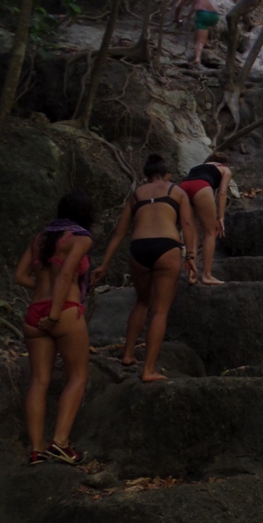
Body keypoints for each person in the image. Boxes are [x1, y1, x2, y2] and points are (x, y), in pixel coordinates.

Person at [92, 154, 198, 383]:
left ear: (146, 176)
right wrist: (190, 256)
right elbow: (188, 224)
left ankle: (127, 355)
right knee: (160, 310)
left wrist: (104, 264)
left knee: (142, 301)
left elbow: (120, 233)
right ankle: (148, 370)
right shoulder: (177, 191)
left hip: (139, 248)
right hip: (166, 246)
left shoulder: (136, 194)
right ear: (167, 175)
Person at [15, 192, 96, 465]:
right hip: (64, 312)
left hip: (34, 312)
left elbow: (20, 276)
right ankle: (60, 443)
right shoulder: (81, 239)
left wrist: (42, 290)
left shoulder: (40, 238)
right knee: (78, 376)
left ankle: (36, 449)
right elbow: (65, 274)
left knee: (39, 380)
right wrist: (54, 314)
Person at [178, 152, 233, 285]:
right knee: (210, 232)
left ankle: (191, 274)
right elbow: (222, 192)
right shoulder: (225, 169)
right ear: (225, 163)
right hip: (201, 186)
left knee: (192, 234)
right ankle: (207, 275)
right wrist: (221, 217)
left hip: (182, 187)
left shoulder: (198, 167)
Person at [174, 0, 219, 66]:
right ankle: (206, 43)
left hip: (203, 14)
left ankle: (197, 58)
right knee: (206, 25)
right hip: (215, 16)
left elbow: (179, 6)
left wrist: (176, 19)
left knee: (199, 41)